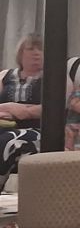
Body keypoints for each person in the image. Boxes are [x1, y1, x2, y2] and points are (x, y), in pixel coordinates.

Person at [1, 34, 46, 200]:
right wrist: (9, 108)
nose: (36, 53)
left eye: (40, 49)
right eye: (31, 49)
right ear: (20, 54)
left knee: (8, 141)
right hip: (5, 124)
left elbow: (54, 108)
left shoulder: (55, 78)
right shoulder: (5, 75)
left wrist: (24, 111)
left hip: (39, 130)